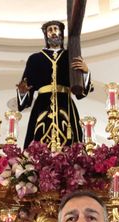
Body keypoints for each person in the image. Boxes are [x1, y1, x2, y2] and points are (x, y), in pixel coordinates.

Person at [17, 20, 93, 150]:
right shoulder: (35, 59)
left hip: (65, 104)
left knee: (71, 141)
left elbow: (80, 91)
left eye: (56, 29)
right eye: (50, 30)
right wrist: (23, 92)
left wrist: (86, 72)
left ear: (61, 33)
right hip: (42, 105)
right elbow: (26, 87)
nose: (53, 32)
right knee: (38, 141)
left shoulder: (71, 55)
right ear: (46, 35)